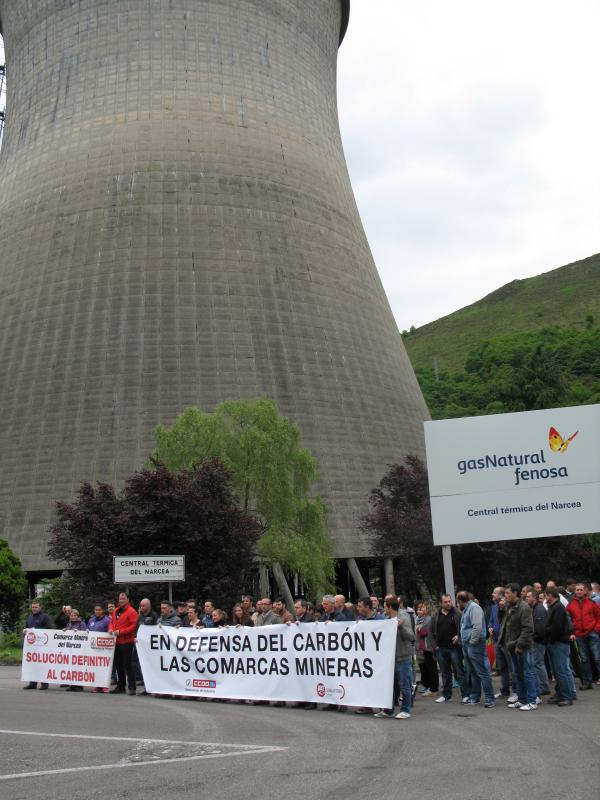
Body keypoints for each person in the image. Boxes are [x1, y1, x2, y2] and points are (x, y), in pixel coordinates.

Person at [374, 597, 415, 720]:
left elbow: (411, 637)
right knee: (389, 686)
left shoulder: (404, 618)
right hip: (390, 659)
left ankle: (406, 710)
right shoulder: (386, 619)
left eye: (385, 607)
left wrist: (400, 628)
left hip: (402, 657)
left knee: (404, 685)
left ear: (390, 607)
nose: (384, 609)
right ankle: (388, 710)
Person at [499, 583, 537, 710]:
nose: (506, 596)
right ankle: (522, 699)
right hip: (511, 646)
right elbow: (506, 626)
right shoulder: (510, 607)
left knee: (528, 673)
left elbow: (528, 629)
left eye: (508, 593)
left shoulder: (524, 607)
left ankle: (532, 701)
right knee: (517, 674)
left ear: (515, 593)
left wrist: (519, 645)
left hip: (523, 646)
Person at [456, 590, 495, 708]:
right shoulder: (467, 609)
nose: (458, 605)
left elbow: (477, 627)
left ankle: (489, 698)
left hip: (475, 644)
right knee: (473, 672)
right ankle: (475, 696)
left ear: (461, 601)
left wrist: (472, 642)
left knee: (482, 671)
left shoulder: (474, 608)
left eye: (458, 602)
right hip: (468, 644)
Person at [430, 594, 467, 702]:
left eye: (449, 601)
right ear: (441, 603)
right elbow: (431, 632)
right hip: (440, 648)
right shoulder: (435, 615)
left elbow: (464, 627)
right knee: (445, 673)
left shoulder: (458, 613)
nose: (448, 603)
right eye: (445, 602)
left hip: (454, 648)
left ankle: (465, 694)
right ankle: (446, 695)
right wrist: (435, 646)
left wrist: (459, 636)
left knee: (459, 672)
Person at [566, 582, 600, 690]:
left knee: (597, 657)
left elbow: (598, 616)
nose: (579, 592)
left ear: (585, 591)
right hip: (579, 634)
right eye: (577, 590)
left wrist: (596, 628)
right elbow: (568, 620)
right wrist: (571, 632)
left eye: (581, 590)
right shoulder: (570, 605)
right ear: (575, 591)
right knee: (584, 659)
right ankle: (587, 682)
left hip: (592, 632)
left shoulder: (592, 602)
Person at [545, 587, 576, 706]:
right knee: (558, 671)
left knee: (561, 670)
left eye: (546, 595)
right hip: (556, 642)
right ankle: (561, 693)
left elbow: (556, 628)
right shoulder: (554, 607)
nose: (545, 598)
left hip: (559, 643)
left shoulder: (558, 608)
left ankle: (567, 696)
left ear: (550, 596)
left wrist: (548, 634)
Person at [109, 591, 139, 695]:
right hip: (116, 642)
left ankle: (132, 687)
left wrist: (121, 632)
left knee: (127, 665)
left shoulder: (132, 612)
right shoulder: (116, 611)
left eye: (123, 599)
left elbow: (133, 626)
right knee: (118, 665)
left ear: (128, 600)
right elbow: (111, 623)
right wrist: (110, 629)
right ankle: (120, 686)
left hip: (126, 642)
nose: (121, 600)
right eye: (120, 599)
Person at [22, 600, 53, 690]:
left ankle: (44, 683)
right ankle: (33, 683)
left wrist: (36, 629)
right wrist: (25, 631)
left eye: (36, 607)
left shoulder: (45, 617)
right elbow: (27, 629)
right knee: (32, 665)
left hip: (43, 646)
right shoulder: (30, 617)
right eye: (33, 607)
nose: (34, 609)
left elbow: (50, 629)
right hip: (32, 646)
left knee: (43, 665)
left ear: (40, 607)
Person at [526, 589, 550, 695]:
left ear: (534, 598)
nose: (526, 598)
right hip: (536, 640)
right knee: (537, 663)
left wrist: (532, 637)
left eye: (528, 597)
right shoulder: (535, 608)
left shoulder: (539, 610)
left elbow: (539, 629)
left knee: (538, 663)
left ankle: (543, 687)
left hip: (538, 642)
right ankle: (541, 686)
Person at [415, 601, 438, 696]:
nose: (422, 609)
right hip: (426, 646)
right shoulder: (426, 618)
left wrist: (419, 629)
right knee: (430, 667)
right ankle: (431, 687)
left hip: (429, 646)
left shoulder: (429, 618)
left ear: (428, 608)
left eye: (424, 607)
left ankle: (433, 689)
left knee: (432, 667)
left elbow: (425, 631)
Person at [87, 603, 111, 694]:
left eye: (99, 610)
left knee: (104, 667)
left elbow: (110, 630)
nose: (97, 611)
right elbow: (87, 630)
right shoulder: (91, 620)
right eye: (96, 610)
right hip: (93, 648)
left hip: (104, 648)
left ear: (102, 611)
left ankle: (104, 686)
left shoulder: (107, 620)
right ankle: (97, 686)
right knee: (95, 667)